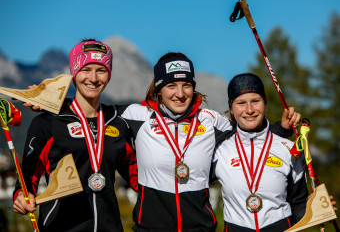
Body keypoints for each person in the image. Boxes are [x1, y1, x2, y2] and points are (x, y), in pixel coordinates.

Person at [119, 53, 300, 232]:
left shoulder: (210, 121)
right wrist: (135, 179)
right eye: (171, 85)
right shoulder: (136, 116)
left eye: (187, 85)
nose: (180, 94)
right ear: (158, 89)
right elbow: (105, 139)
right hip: (150, 228)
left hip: (201, 228)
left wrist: (281, 130)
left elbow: (247, 133)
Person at [12, 39, 137, 232]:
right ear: (74, 72)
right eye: (86, 69)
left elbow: (139, 179)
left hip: (109, 226)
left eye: (101, 70)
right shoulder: (48, 122)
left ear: (109, 75)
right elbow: (28, 176)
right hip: (61, 227)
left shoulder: (118, 122)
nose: (93, 78)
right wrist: (21, 194)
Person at [212, 73, 308, 231]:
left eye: (255, 101)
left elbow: (299, 203)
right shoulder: (219, 149)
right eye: (241, 103)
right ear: (231, 109)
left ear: (265, 103)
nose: (249, 110)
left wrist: (318, 210)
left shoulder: (289, 149)